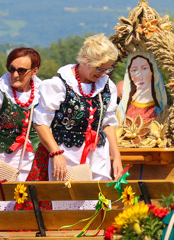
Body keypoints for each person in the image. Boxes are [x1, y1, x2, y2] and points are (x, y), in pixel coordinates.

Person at [34, 34, 124, 192]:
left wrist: (116, 157)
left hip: (98, 156)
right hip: (66, 155)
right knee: (67, 204)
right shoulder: (60, 84)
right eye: (99, 68)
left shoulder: (107, 86)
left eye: (107, 69)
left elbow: (108, 123)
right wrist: (55, 153)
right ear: (85, 59)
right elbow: (41, 122)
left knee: (99, 203)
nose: (103, 74)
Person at [0, 47, 45, 210]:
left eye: (21, 70)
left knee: (28, 214)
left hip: (31, 164)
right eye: (11, 69)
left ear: (34, 71)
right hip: (0, 162)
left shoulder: (43, 93)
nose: (15, 74)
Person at [116, 51, 168, 123]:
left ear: (152, 71)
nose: (140, 76)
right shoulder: (125, 107)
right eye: (134, 70)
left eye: (144, 68)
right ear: (129, 74)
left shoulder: (158, 110)